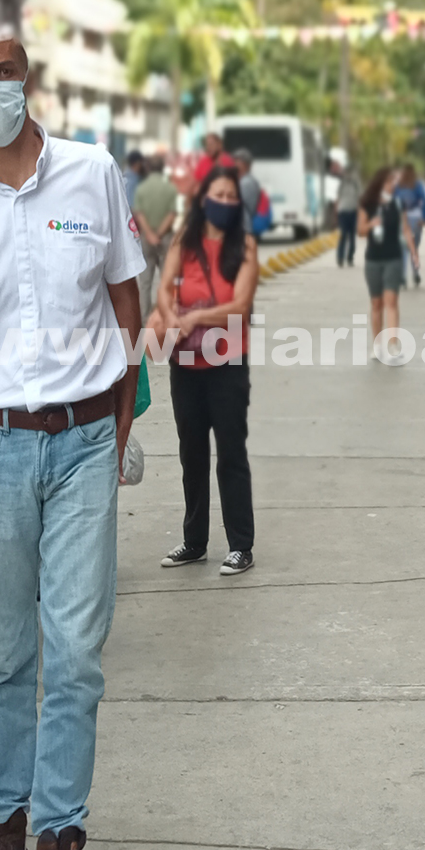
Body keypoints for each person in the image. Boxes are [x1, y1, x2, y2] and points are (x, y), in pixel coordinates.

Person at [0, 27, 144, 850]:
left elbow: (126, 300)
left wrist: (119, 419)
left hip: (83, 443)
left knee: (75, 652)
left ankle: (59, 825)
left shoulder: (93, 173)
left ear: (28, 77)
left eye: (4, 70)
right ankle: (3, 813)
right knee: (7, 652)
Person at [152, 167, 259, 577]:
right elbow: (164, 289)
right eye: (219, 194)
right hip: (186, 365)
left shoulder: (244, 246)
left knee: (231, 453)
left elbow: (241, 305)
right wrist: (168, 316)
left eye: (233, 197)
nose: (226, 202)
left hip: (227, 366)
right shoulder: (185, 240)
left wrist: (195, 317)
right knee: (191, 453)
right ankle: (195, 541)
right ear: (203, 198)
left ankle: (240, 545)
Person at [358, 168, 418, 360]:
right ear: (380, 183)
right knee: (376, 303)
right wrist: (370, 225)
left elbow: (406, 229)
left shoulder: (398, 204)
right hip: (373, 260)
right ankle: (377, 346)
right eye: (389, 182)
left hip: (393, 258)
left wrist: (414, 252)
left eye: (394, 182)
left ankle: (393, 345)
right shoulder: (367, 204)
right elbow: (360, 231)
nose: (393, 185)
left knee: (391, 301)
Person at [132, 154, 178, 322]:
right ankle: (165, 315)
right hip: (166, 239)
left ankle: (144, 318)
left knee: (145, 282)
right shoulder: (170, 189)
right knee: (166, 280)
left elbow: (139, 213)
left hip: (146, 238)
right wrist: (159, 234)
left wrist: (150, 234)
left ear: (149, 168)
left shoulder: (141, 189)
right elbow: (173, 213)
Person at [395, 164, 425, 287]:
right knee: (414, 247)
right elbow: (424, 200)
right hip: (416, 218)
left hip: (402, 219)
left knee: (403, 248)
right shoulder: (417, 184)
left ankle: (402, 277)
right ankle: (415, 273)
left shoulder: (399, 185)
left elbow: (394, 201)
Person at [336, 165, 361, 268]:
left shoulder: (356, 184)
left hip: (353, 212)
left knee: (352, 237)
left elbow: (360, 197)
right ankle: (340, 258)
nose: (349, 175)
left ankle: (350, 257)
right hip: (343, 212)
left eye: (351, 173)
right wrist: (336, 211)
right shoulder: (342, 183)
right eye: (347, 172)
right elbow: (338, 197)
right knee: (343, 235)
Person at [233, 148, 262, 235]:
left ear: (246, 164)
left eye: (237, 161)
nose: (235, 164)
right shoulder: (243, 180)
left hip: (243, 227)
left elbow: (237, 203)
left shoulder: (246, 182)